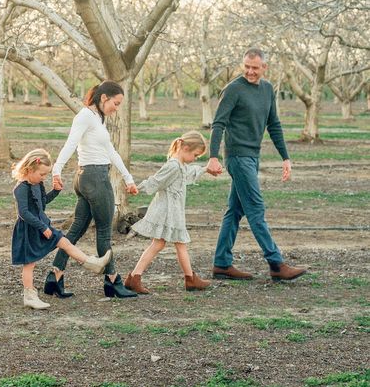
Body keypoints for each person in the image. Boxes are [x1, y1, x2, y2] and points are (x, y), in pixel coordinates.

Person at [206, 48, 307, 282]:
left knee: (235, 211)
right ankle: (276, 263)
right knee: (256, 209)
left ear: (264, 68)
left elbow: (274, 125)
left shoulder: (268, 89)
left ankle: (221, 264)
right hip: (237, 157)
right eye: (247, 67)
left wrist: (285, 157)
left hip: (253, 156)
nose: (250, 71)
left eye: (255, 67)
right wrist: (213, 156)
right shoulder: (233, 89)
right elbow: (218, 123)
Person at [43, 81, 139, 299]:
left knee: (76, 229)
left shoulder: (97, 118)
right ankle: (113, 281)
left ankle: (54, 277)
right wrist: (56, 170)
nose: (117, 108)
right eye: (116, 103)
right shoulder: (85, 116)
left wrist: (128, 178)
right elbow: (71, 143)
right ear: (103, 98)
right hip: (95, 178)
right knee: (104, 231)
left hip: (89, 177)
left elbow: (111, 151)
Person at [12, 148, 112, 310]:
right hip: (29, 230)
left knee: (64, 242)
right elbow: (23, 213)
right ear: (29, 170)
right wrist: (42, 227)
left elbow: (42, 203)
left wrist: (56, 192)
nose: (44, 178)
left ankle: (91, 263)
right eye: (42, 174)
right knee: (29, 264)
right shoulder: (21, 188)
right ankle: (29, 295)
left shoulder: (38, 184)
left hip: (42, 226)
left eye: (46, 175)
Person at [124, 131, 212, 294]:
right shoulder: (173, 166)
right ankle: (189, 279)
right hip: (167, 212)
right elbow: (156, 181)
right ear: (185, 148)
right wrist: (138, 187)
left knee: (164, 244)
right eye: (195, 155)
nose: (195, 159)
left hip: (173, 211)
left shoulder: (180, 166)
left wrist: (205, 169)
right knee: (172, 244)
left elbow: (189, 172)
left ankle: (134, 278)